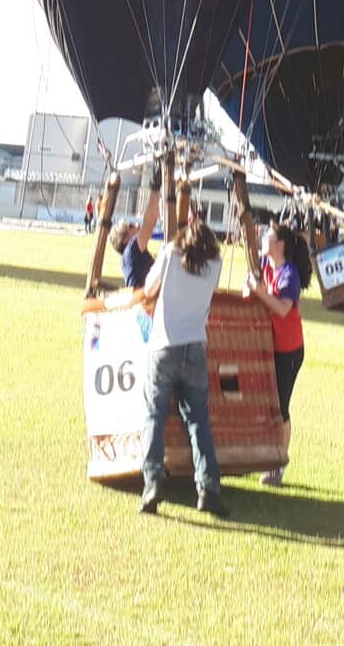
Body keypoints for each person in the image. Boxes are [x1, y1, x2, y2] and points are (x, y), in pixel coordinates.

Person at [138, 213, 227, 518]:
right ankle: (208, 488)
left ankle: (152, 482)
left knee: (154, 416)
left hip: (164, 345)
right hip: (196, 347)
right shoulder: (215, 265)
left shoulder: (169, 254)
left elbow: (149, 289)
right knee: (198, 420)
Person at [248, 220, 312, 488]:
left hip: (287, 349)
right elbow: (249, 293)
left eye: (268, 236)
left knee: (280, 406)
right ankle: (265, 456)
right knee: (265, 404)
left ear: (280, 245)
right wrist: (252, 288)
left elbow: (283, 308)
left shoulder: (289, 273)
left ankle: (278, 463)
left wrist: (260, 292)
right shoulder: (263, 266)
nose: (263, 238)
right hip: (266, 346)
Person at [109, 180, 160, 290]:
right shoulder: (132, 249)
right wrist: (155, 189)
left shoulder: (127, 257)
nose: (137, 224)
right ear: (125, 239)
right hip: (143, 304)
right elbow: (150, 220)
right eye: (131, 226)